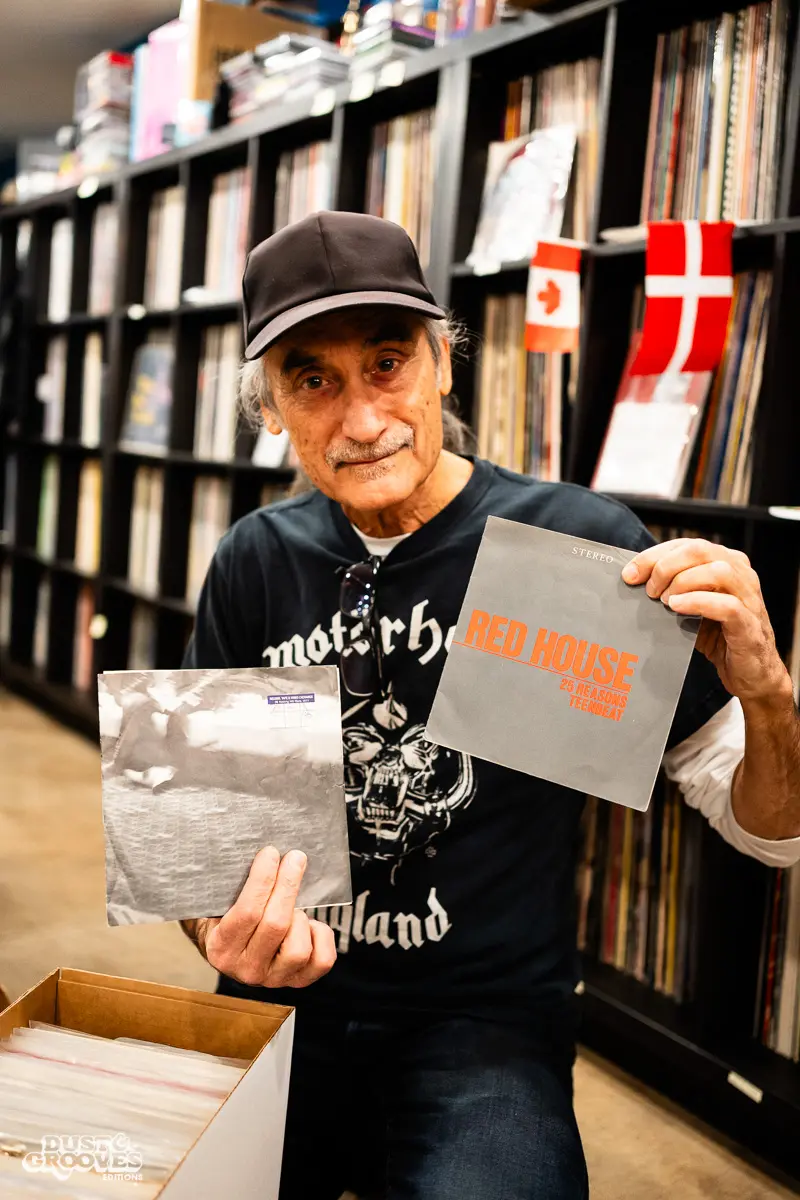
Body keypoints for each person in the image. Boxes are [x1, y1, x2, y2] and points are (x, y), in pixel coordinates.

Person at [180, 212, 800, 1199]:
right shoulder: (254, 560)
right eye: (312, 379)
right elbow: (204, 852)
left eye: (386, 363)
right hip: (279, 1011)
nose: (362, 419)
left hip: (483, 1028)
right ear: (272, 410)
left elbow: (771, 834)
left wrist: (767, 697)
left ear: (441, 364)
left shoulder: (577, 550)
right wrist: (223, 925)